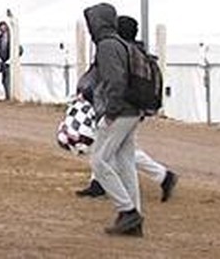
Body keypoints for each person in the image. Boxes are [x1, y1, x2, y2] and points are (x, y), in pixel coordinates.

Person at [76, 15, 179, 204]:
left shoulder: (116, 51)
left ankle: (133, 198)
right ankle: (153, 182)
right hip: (132, 109)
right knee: (118, 150)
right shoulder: (135, 52)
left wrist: (107, 108)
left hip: (118, 109)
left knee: (107, 153)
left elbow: (110, 80)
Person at [83, 2, 147, 236]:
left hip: (119, 111)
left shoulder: (107, 45)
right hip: (133, 111)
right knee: (125, 162)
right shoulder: (121, 43)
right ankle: (134, 218)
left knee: (99, 162)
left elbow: (115, 82)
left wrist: (110, 111)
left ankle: (127, 211)